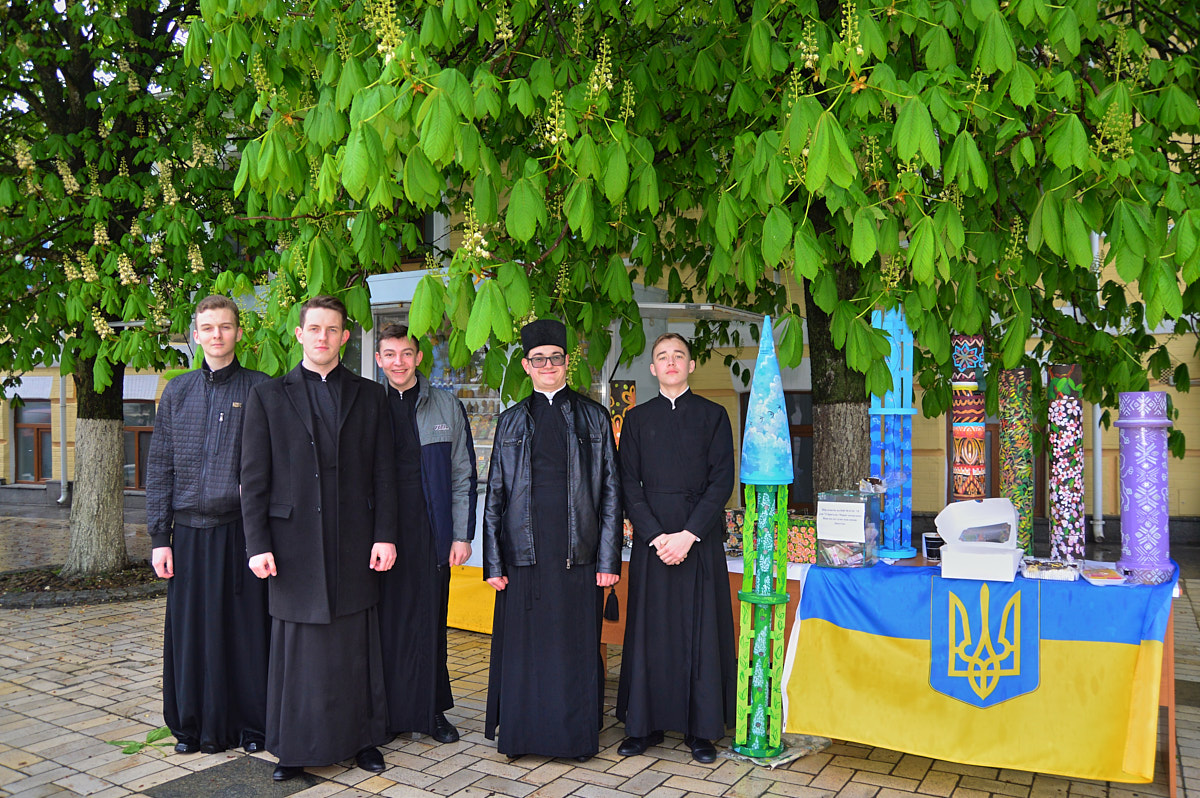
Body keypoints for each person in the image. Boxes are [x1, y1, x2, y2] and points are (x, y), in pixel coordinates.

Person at [241, 295, 398, 782]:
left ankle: (363, 740)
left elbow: (385, 474)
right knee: (299, 654)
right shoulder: (269, 395)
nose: (323, 337)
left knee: (355, 647)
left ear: (345, 338)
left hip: (354, 542)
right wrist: (256, 544)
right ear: (300, 334)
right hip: (292, 546)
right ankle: (291, 748)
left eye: (333, 330)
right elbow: (253, 477)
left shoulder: (370, 396)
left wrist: (385, 535)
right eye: (315, 329)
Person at [483, 319, 622, 762]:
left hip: (577, 556)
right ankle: (521, 739)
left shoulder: (594, 418)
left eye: (555, 358)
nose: (548, 366)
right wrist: (493, 563)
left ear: (567, 363)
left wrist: (608, 560)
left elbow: (611, 495)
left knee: (575, 648)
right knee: (524, 650)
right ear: (526, 365)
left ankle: (575, 740)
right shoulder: (509, 422)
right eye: (538, 359)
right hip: (522, 555)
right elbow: (496, 496)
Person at [147, 295, 271, 755]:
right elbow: (159, 466)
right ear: (195, 335)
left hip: (241, 533)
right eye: (208, 328)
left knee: (244, 633)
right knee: (192, 633)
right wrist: (161, 538)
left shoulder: (262, 389)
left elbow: (272, 469)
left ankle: (249, 728)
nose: (216, 335)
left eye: (225, 326)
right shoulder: (177, 392)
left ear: (239, 333)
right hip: (188, 535)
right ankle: (191, 727)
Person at [614, 332, 736, 764]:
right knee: (650, 634)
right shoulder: (637, 419)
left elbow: (722, 481)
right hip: (653, 542)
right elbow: (628, 482)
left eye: (678, 356)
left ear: (690, 365)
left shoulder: (714, 415)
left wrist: (688, 535)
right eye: (662, 357)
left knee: (700, 633)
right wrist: (655, 534)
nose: (670, 362)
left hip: (697, 541)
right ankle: (643, 727)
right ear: (652, 368)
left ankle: (702, 731)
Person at [374, 324, 478, 744]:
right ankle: (384, 714)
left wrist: (461, 534)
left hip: (431, 533)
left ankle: (431, 712)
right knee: (383, 625)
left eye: (406, 353)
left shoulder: (446, 407)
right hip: (379, 537)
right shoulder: (368, 405)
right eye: (390, 354)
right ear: (379, 360)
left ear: (419, 358)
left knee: (429, 624)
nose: (398, 362)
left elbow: (462, 475)